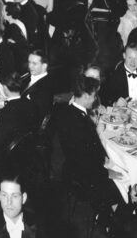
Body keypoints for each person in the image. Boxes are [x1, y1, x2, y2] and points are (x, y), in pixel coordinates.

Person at [52, 77, 123, 219]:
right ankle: (112, 220)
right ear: (85, 96)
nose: (95, 99)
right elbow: (83, 160)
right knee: (123, 181)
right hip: (84, 176)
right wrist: (106, 173)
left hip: (78, 167)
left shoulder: (70, 112)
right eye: (94, 95)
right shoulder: (78, 122)